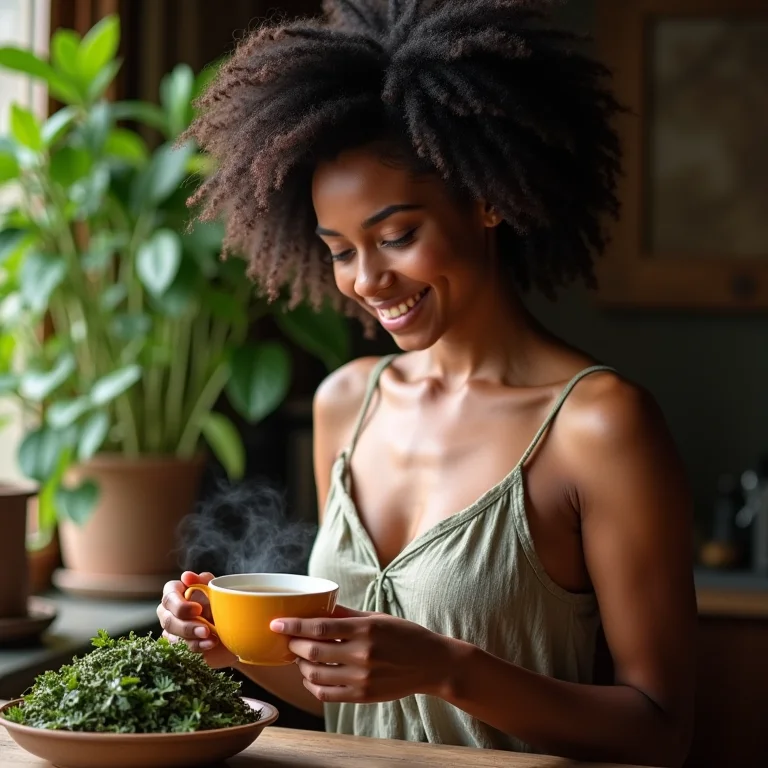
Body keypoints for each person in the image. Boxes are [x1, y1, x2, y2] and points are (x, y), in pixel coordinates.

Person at [157, 1, 696, 765]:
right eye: (340, 249)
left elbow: (661, 729)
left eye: (397, 236)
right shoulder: (347, 402)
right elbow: (351, 691)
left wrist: (448, 667)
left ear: (484, 200)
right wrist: (234, 647)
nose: (367, 280)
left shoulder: (599, 425)